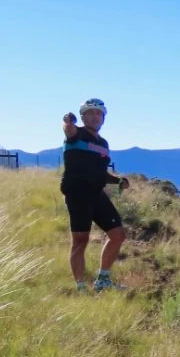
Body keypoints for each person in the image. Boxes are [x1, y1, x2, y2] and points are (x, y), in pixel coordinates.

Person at [60, 98, 130, 292]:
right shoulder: (76, 133)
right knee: (81, 240)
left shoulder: (103, 143)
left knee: (118, 235)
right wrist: (67, 120)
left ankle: (103, 281)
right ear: (83, 116)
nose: (94, 116)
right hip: (77, 194)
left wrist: (117, 181)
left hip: (96, 194)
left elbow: (100, 173)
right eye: (90, 113)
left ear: (103, 118)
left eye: (99, 113)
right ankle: (81, 288)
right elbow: (68, 129)